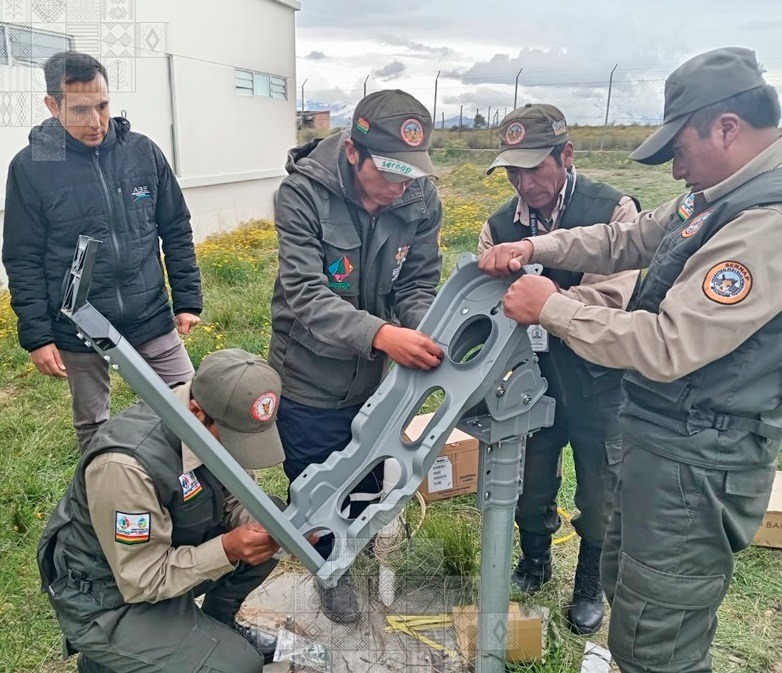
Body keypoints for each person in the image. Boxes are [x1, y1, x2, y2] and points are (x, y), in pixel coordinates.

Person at [479, 47, 782, 673]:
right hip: (663, 439)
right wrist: (536, 246)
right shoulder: (717, 196)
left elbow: (670, 343)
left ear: (727, 128)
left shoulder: (765, 221)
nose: (675, 168)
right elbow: (627, 239)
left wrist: (552, 307)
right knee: (633, 595)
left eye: (680, 149)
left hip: (697, 462)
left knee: (657, 642)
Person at [269, 89, 444, 623]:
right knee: (315, 479)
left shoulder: (418, 198)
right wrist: (383, 335)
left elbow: (416, 282)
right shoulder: (302, 195)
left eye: (410, 174)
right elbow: (305, 294)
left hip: (374, 380)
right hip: (308, 374)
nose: (399, 187)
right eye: (389, 173)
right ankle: (329, 569)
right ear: (352, 151)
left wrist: (424, 329)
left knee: (367, 472)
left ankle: (357, 547)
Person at [478, 103, 640, 634]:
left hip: (600, 378)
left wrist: (546, 303)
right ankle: (535, 559)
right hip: (532, 377)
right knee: (529, 478)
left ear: (566, 155)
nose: (524, 184)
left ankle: (589, 581)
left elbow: (611, 299)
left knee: (601, 486)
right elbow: (489, 305)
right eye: (513, 172)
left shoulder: (613, 210)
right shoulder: (498, 226)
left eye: (534, 168)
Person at [37, 348, 287, 673]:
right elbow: (142, 579)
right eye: (233, 439)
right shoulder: (126, 466)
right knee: (238, 666)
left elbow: (234, 498)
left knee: (274, 521)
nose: (238, 451)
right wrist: (227, 549)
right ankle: (104, 660)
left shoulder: (212, 417)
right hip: (108, 597)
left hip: (165, 554)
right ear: (196, 412)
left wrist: (275, 531)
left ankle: (217, 628)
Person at [2, 50, 201, 452]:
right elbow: (23, 257)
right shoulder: (31, 167)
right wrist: (38, 336)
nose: (95, 122)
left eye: (103, 105)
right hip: (78, 328)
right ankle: (105, 485)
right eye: (80, 110)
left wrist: (187, 300)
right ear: (52, 105)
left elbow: (176, 228)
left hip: (149, 313)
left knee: (192, 408)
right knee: (94, 426)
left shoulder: (142, 153)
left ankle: (192, 486)